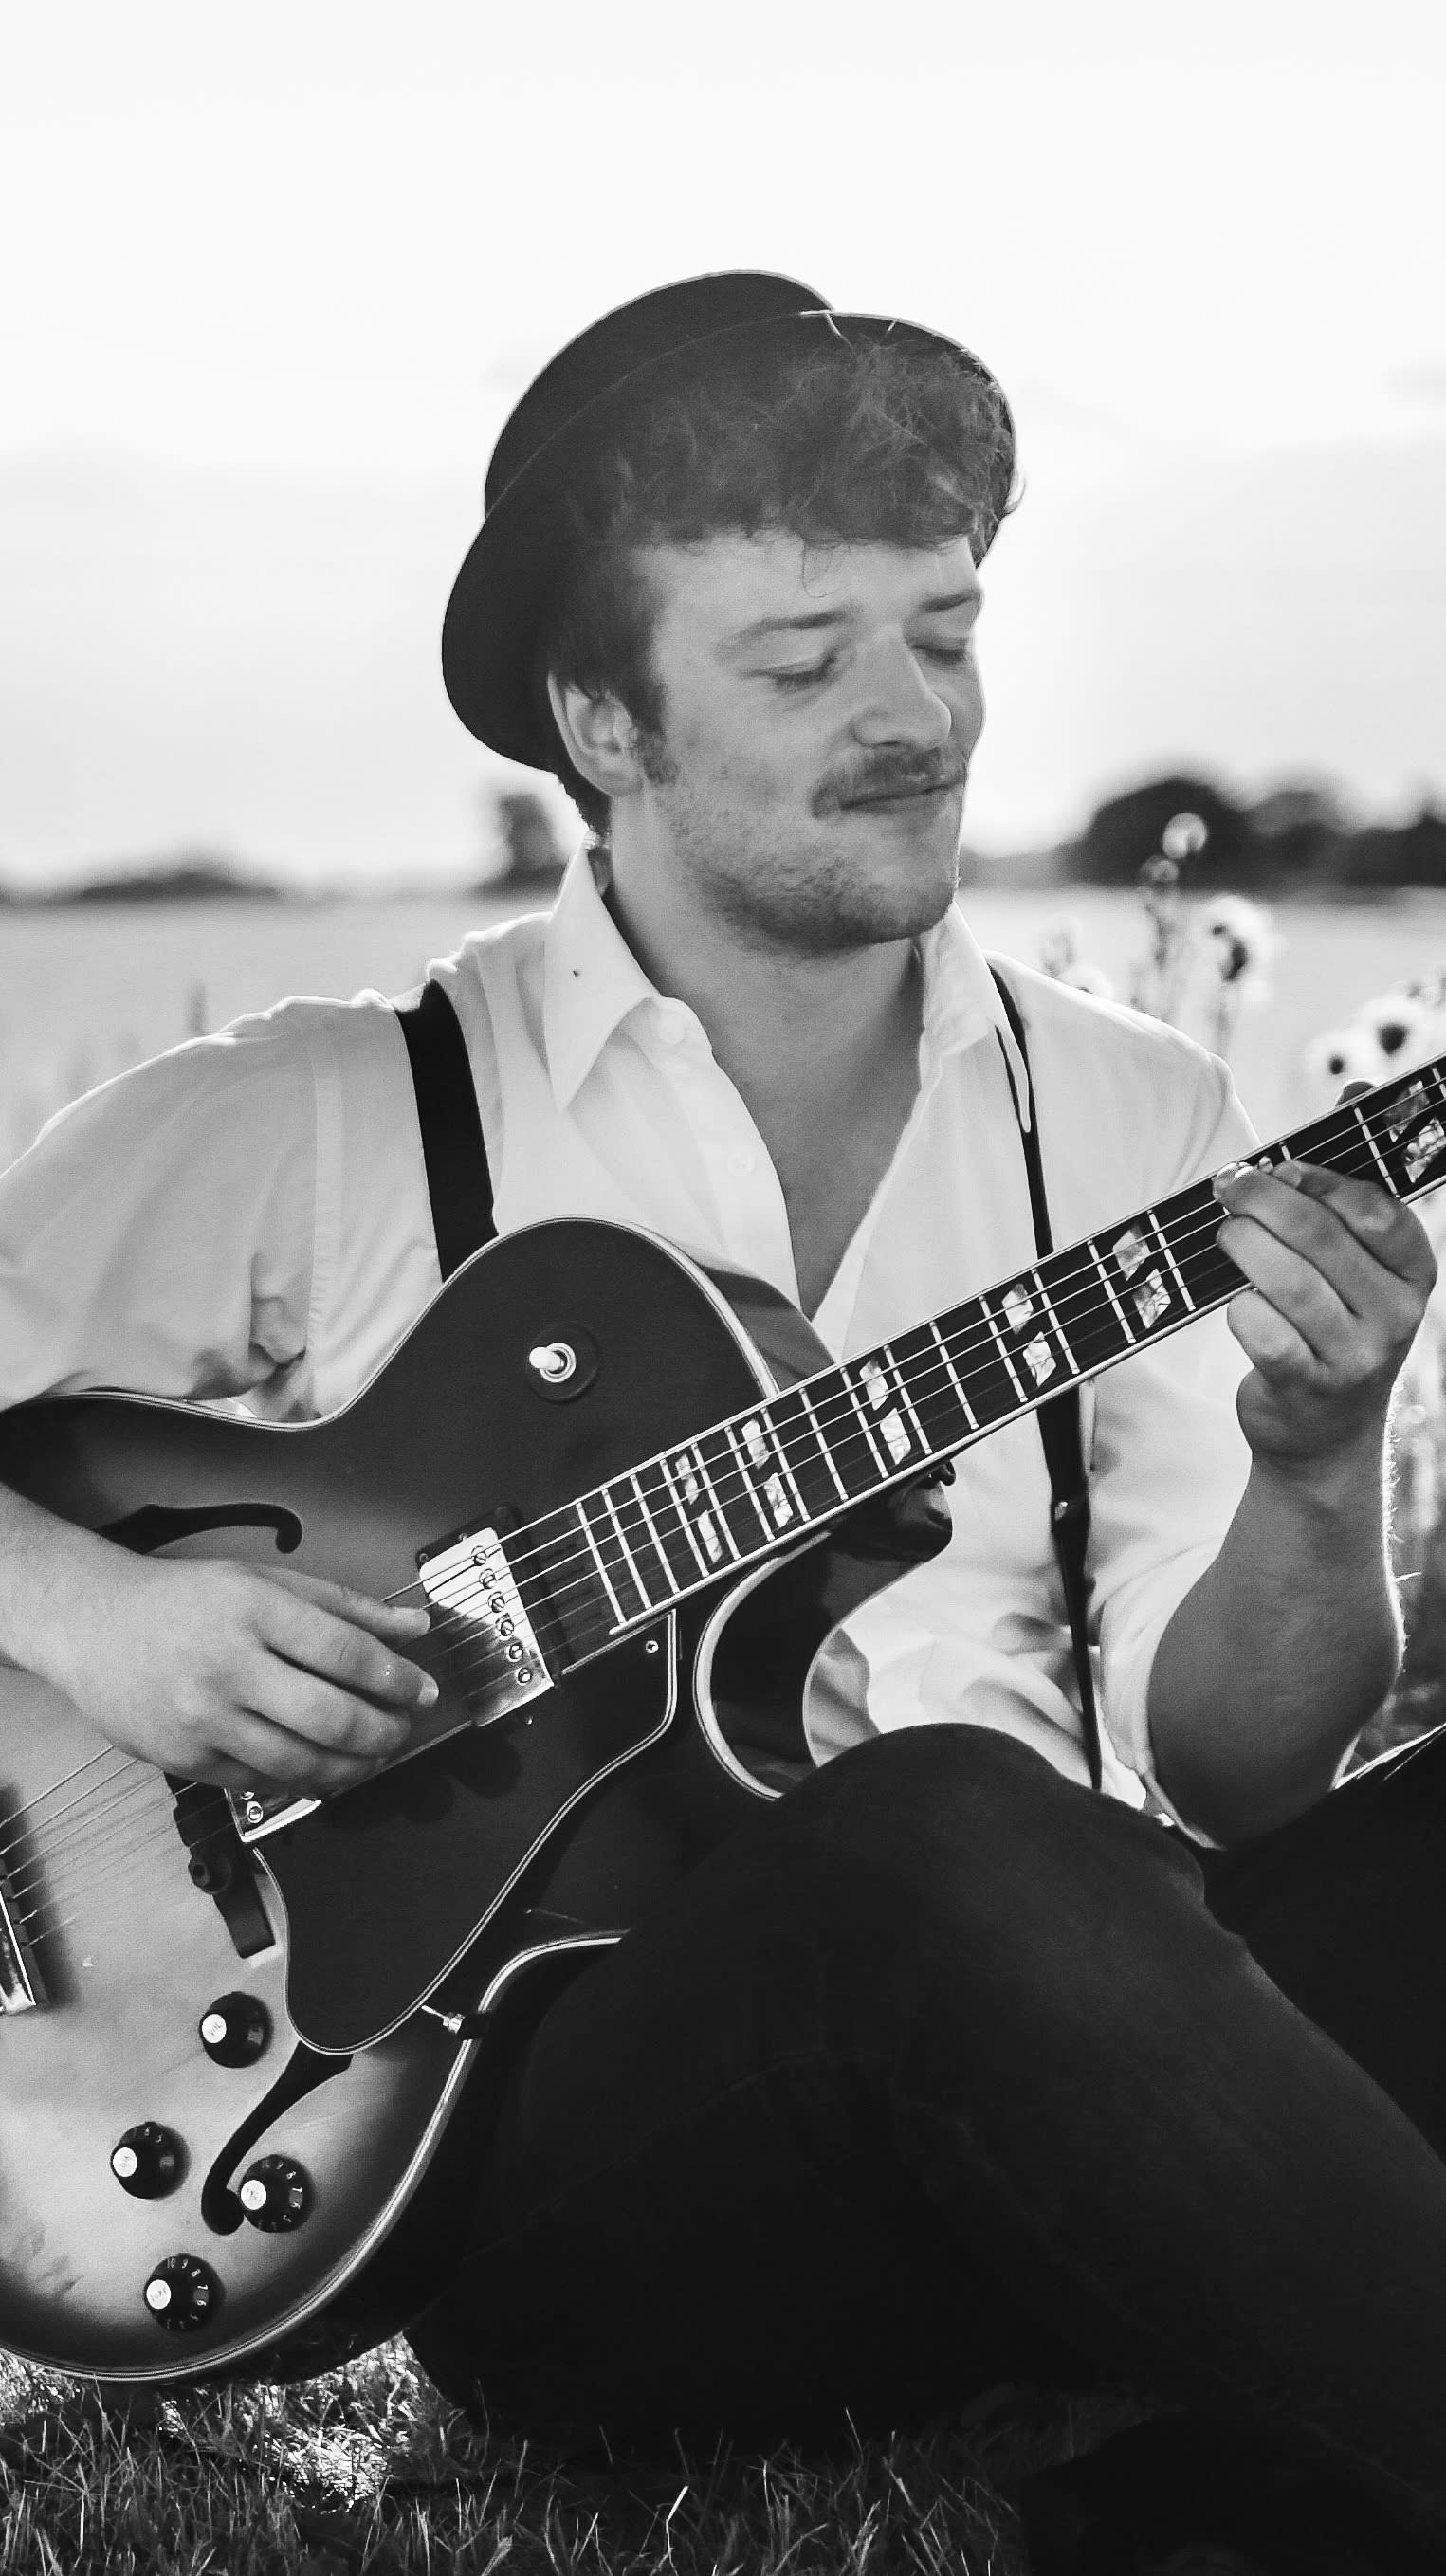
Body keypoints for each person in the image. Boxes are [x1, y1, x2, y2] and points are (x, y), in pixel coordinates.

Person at [1, 272, 1444, 2573]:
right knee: (936, 1828)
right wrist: (105, 1622)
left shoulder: (1132, 1110)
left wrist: (1312, 1465)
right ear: (603, 722)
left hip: (1113, 2064)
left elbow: (1243, 1777)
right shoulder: (339, 1109)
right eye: (801, 663)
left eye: (945, 634)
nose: (915, 718)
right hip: (595, 2183)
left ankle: (1188, 2497)